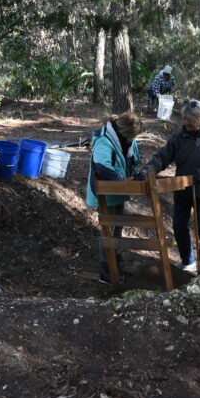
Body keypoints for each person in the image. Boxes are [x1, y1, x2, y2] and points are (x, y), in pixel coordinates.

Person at [145, 99, 200, 275]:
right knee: (178, 226)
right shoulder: (178, 136)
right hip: (182, 189)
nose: (185, 122)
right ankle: (188, 260)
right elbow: (162, 157)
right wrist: (149, 170)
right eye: (184, 118)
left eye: (189, 119)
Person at [85, 112, 144, 284]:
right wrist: (120, 181)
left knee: (117, 229)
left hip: (118, 192)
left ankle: (116, 266)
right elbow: (102, 165)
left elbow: (130, 162)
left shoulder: (127, 141)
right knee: (108, 231)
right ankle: (106, 271)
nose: (133, 139)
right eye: (132, 135)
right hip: (105, 192)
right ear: (124, 131)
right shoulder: (105, 141)